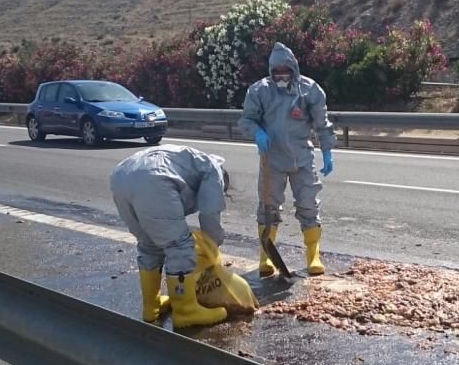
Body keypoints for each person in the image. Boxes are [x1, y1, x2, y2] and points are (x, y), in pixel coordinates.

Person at [239, 42, 335, 276]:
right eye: (277, 71)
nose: (282, 75)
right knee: (268, 209)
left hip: (302, 157)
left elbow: (322, 123)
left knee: (309, 205)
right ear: (271, 71)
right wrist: (257, 132)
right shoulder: (259, 91)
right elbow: (246, 121)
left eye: (286, 70)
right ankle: (266, 257)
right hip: (272, 159)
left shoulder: (309, 90)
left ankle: (313, 256)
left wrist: (327, 151)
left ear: (294, 68)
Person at [110, 144, 230, 327]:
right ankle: (186, 311)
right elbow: (210, 214)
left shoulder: (191, 161)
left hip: (120, 176)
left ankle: (151, 307)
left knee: (149, 244)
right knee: (179, 245)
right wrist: (212, 249)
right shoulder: (213, 170)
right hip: (154, 177)